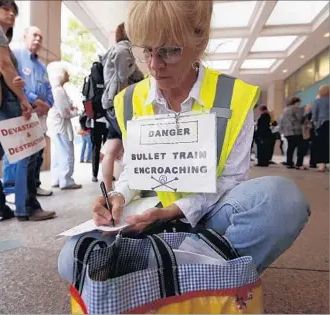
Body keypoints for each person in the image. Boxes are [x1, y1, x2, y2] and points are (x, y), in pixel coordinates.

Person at [59, 0, 310, 276]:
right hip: (146, 215)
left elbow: (230, 180)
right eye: (146, 50)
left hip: (212, 215)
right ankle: (196, 268)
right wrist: (118, 196)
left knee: (283, 201)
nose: (154, 65)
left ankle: (158, 268)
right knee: (71, 260)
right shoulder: (130, 99)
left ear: (199, 42)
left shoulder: (235, 97)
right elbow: (135, 169)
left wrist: (173, 211)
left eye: (169, 51)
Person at [0, 0, 55, 222]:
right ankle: (26, 207)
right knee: (27, 151)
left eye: (13, 11)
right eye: (5, 8)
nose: (11, 14)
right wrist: (23, 100)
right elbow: (4, 65)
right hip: (4, 99)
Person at [3, 26, 54, 199]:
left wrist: (47, 104)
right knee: (17, 150)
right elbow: (12, 81)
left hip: (39, 114)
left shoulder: (41, 66)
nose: (38, 39)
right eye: (34, 35)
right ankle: (11, 189)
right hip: (22, 110)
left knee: (37, 151)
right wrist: (32, 99)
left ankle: (34, 185)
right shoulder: (16, 56)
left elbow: (48, 88)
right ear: (24, 37)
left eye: (40, 36)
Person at [100, 22, 144, 191]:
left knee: (111, 149)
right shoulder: (123, 50)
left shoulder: (115, 50)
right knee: (133, 144)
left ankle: (109, 190)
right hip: (119, 105)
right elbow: (122, 80)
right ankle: (130, 187)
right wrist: (125, 107)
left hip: (111, 105)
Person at [46, 62, 82, 190]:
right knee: (67, 152)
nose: (68, 76)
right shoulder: (59, 91)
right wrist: (77, 111)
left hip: (55, 125)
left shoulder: (55, 89)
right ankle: (66, 180)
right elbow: (64, 112)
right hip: (61, 125)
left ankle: (57, 179)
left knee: (58, 153)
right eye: (66, 73)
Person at [279, 96, 307, 169]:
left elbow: (282, 121)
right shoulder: (295, 109)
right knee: (302, 147)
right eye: (299, 103)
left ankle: (289, 163)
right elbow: (300, 119)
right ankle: (299, 163)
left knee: (290, 147)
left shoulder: (285, 110)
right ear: (296, 102)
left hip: (287, 132)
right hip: (296, 131)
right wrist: (305, 114)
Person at [311, 85, 329, 172]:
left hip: (323, 124)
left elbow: (315, 115)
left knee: (322, 144)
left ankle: (322, 164)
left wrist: (315, 124)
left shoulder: (318, 101)